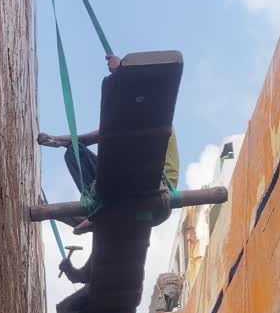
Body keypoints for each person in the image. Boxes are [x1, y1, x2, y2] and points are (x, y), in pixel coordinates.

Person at [37, 55, 181, 233]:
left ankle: (100, 212)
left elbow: (142, 92)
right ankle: (96, 208)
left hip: (156, 187)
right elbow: (89, 139)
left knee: (123, 162)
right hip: (126, 186)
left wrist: (121, 71)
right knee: (75, 152)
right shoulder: (124, 122)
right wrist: (57, 140)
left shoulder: (153, 117)